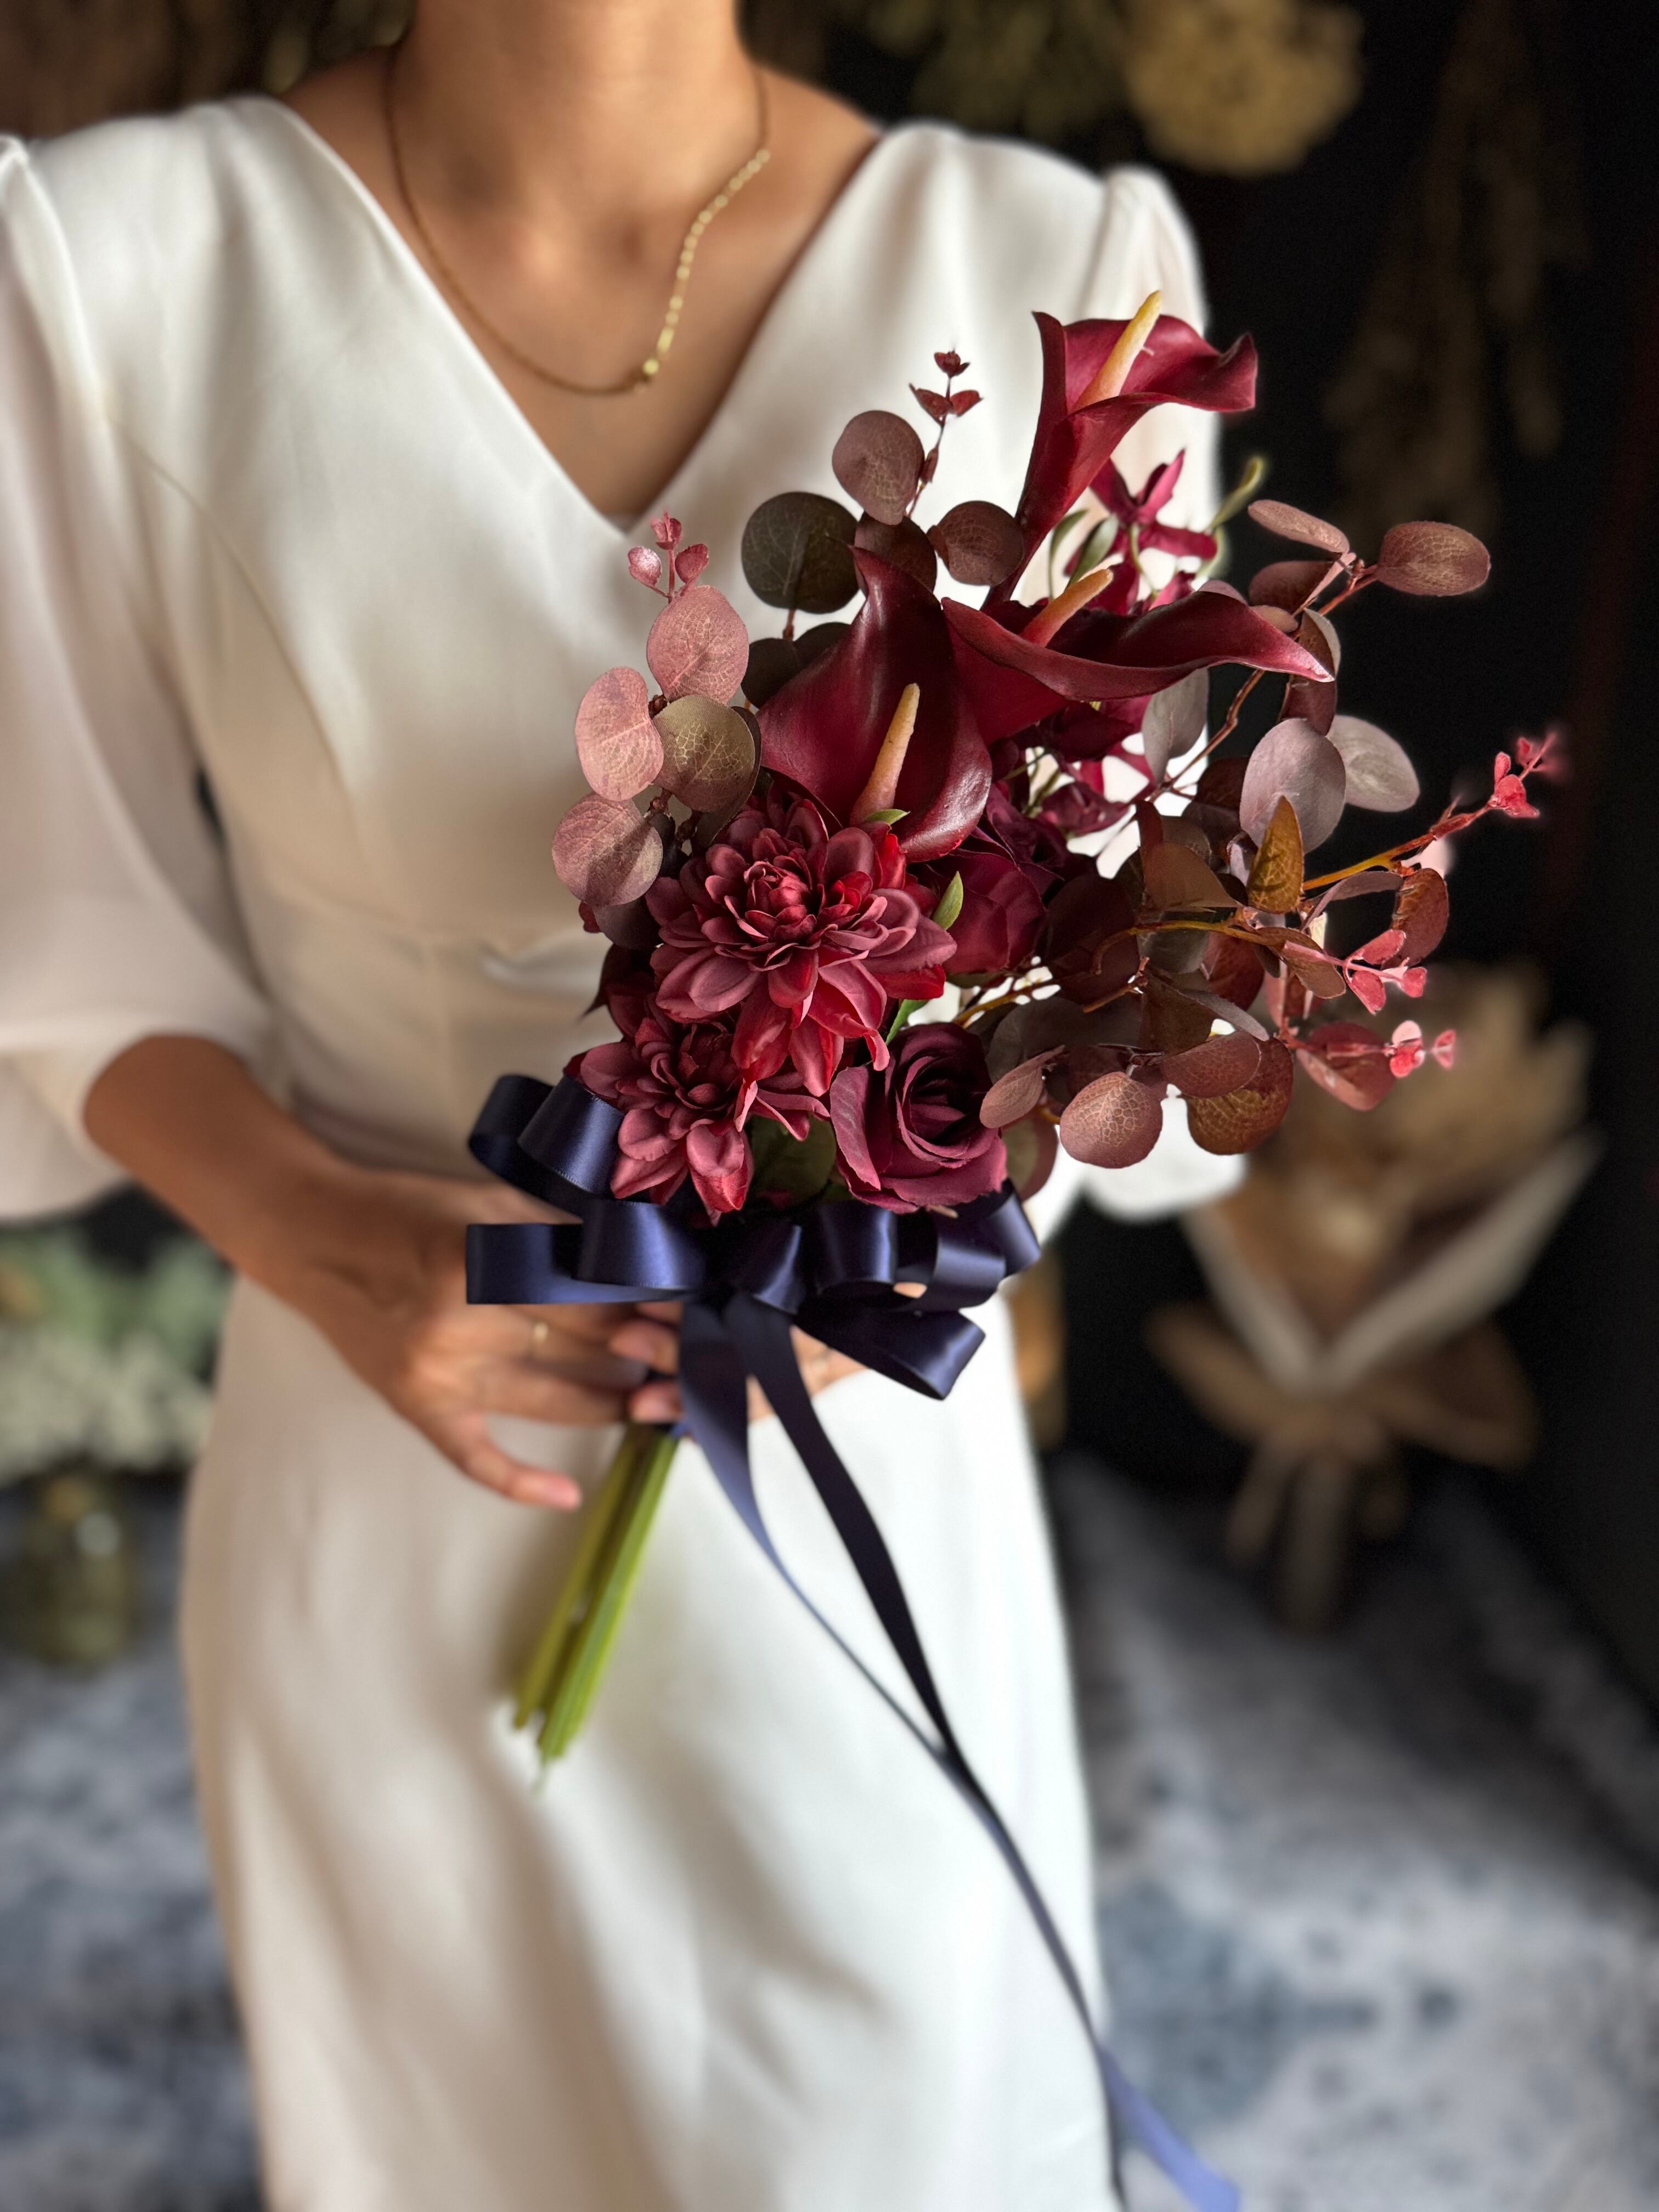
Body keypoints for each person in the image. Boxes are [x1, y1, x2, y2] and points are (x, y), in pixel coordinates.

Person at [0, 7, 1238, 2205]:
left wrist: (891, 1211)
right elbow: (57, 937)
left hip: (851, 1475)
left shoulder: (1065, 269)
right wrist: (319, 1236)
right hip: (397, 1453)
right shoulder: (107, 263)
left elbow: (1130, 972)